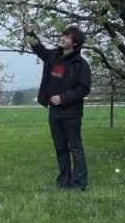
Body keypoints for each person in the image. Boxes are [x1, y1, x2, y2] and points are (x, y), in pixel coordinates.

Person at [25, 25, 91, 191]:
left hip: (71, 113)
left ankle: (79, 184)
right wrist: (29, 33)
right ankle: (64, 181)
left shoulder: (81, 65)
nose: (62, 38)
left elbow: (83, 88)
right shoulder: (53, 56)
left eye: (67, 37)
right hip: (54, 112)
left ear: (74, 43)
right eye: (63, 35)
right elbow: (39, 49)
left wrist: (63, 98)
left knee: (75, 148)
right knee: (60, 147)